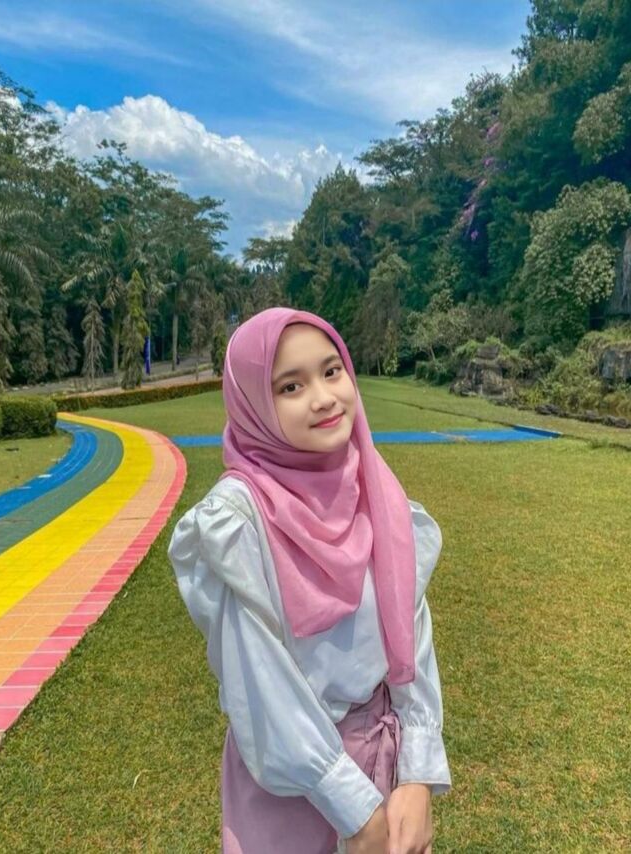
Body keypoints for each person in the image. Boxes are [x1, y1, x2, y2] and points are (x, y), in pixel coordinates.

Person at [168, 306, 452, 854]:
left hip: (386, 763)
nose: (323, 397)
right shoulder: (239, 522)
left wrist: (417, 771)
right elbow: (260, 681)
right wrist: (353, 807)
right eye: (290, 386)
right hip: (293, 787)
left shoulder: (377, 492)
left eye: (331, 371)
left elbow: (412, 633)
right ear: (253, 405)